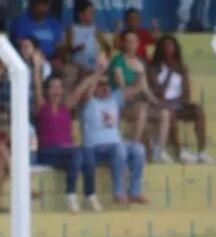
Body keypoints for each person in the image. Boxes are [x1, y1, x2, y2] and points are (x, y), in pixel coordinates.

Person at [76, 54, 148, 205]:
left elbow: (139, 87)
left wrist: (141, 72)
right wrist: (99, 73)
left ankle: (135, 191)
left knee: (139, 149)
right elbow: (86, 90)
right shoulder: (89, 102)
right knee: (120, 149)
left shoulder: (114, 99)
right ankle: (118, 192)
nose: (105, 88)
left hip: (115, 145)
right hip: (95, 147)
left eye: (107, 85)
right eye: (101, 85)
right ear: (94, 87)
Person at [33, 62, 100, 213]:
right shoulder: (42, 106)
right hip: (47, 152)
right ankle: (70, 193)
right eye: (53, 87)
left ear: (62, 90)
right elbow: (37, 86)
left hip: (66, 153)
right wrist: (37, 66)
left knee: (87, 151)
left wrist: (98, 72)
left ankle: (90, 194)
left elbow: (80, 90)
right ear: (48, 91)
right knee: (76, 152)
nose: (56, 91)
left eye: (58, 87)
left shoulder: (66, 108)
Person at [148, 36, 211, 164]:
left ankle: (202, 152)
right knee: (169, 114)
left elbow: (186, 93)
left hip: (178, 104)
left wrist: (178, 103)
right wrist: (170, 71)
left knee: (198, 110)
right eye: (165, 45)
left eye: (171, 45)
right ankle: (179, 151)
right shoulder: (154, 68)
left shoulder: (182, 68)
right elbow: (159, 92)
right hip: (161, 105)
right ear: (160, 49)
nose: (169, 48)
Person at [110, 30, 160, 145]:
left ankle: (158, 150)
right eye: (127, 41)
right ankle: (133, 146)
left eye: (133, 41)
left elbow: (145, 88)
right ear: (123, 44)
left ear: (138, 43)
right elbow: (121, 85)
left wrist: (156, 102)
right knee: (141, 109)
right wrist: (138, 85)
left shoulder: (140, 62)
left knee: (163, 113)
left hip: (134, 100)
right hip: (118, 100)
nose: (130, 44)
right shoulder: (117, 60)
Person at [66, 1, 109, 74]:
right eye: (89, 12)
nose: (92, 15)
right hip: (76, 66)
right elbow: (66, 50)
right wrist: (76, 48)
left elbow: (106, 49)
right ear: (81, 14)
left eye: (93, 12)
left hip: (95, 67)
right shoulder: (72, 30)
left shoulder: (96, 31)